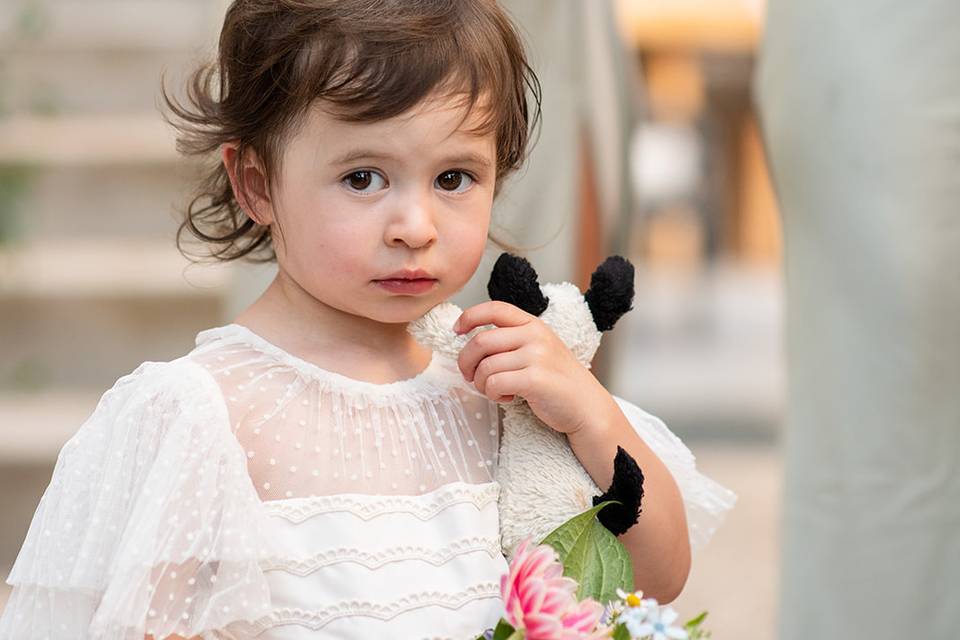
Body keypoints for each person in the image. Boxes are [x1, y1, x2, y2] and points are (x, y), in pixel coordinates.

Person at [0, 2, 735, 638]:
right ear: (257, 183)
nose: (414, 224)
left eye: (454, 178)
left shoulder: (493, 384)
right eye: (363, 178)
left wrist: (590, 413)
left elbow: (655, 577)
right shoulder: (205, 416)